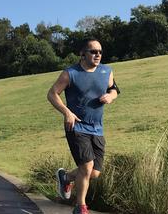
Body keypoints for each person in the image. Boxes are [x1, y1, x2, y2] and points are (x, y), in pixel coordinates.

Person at [47, 37, 120, 214]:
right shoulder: (70, 73)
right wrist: (67, 112)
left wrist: (111, 96)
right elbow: (52, 93)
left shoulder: (106, 71)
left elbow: (115, 89)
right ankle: (80, 207)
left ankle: (65, 177)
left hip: (97, 128)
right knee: (86, 167)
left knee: (94, 172)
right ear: (83, 54)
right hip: (77, 127)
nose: (98, 55)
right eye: (93, 52)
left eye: (100, 52)